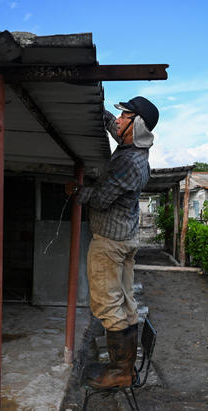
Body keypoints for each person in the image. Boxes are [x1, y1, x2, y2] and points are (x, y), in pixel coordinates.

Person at [65, 96, 159, 389]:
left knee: (107, 306)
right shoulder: (133, 148)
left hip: (110, 242)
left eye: (124, 116)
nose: (118, 120)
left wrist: (76, 192)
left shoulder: (130, 163)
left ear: (137, 124)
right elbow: (115, 128)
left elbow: (103, 199)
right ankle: (125, 369)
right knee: (127, 304)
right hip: (126, 238)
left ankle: (120, 372)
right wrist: (101, 111)